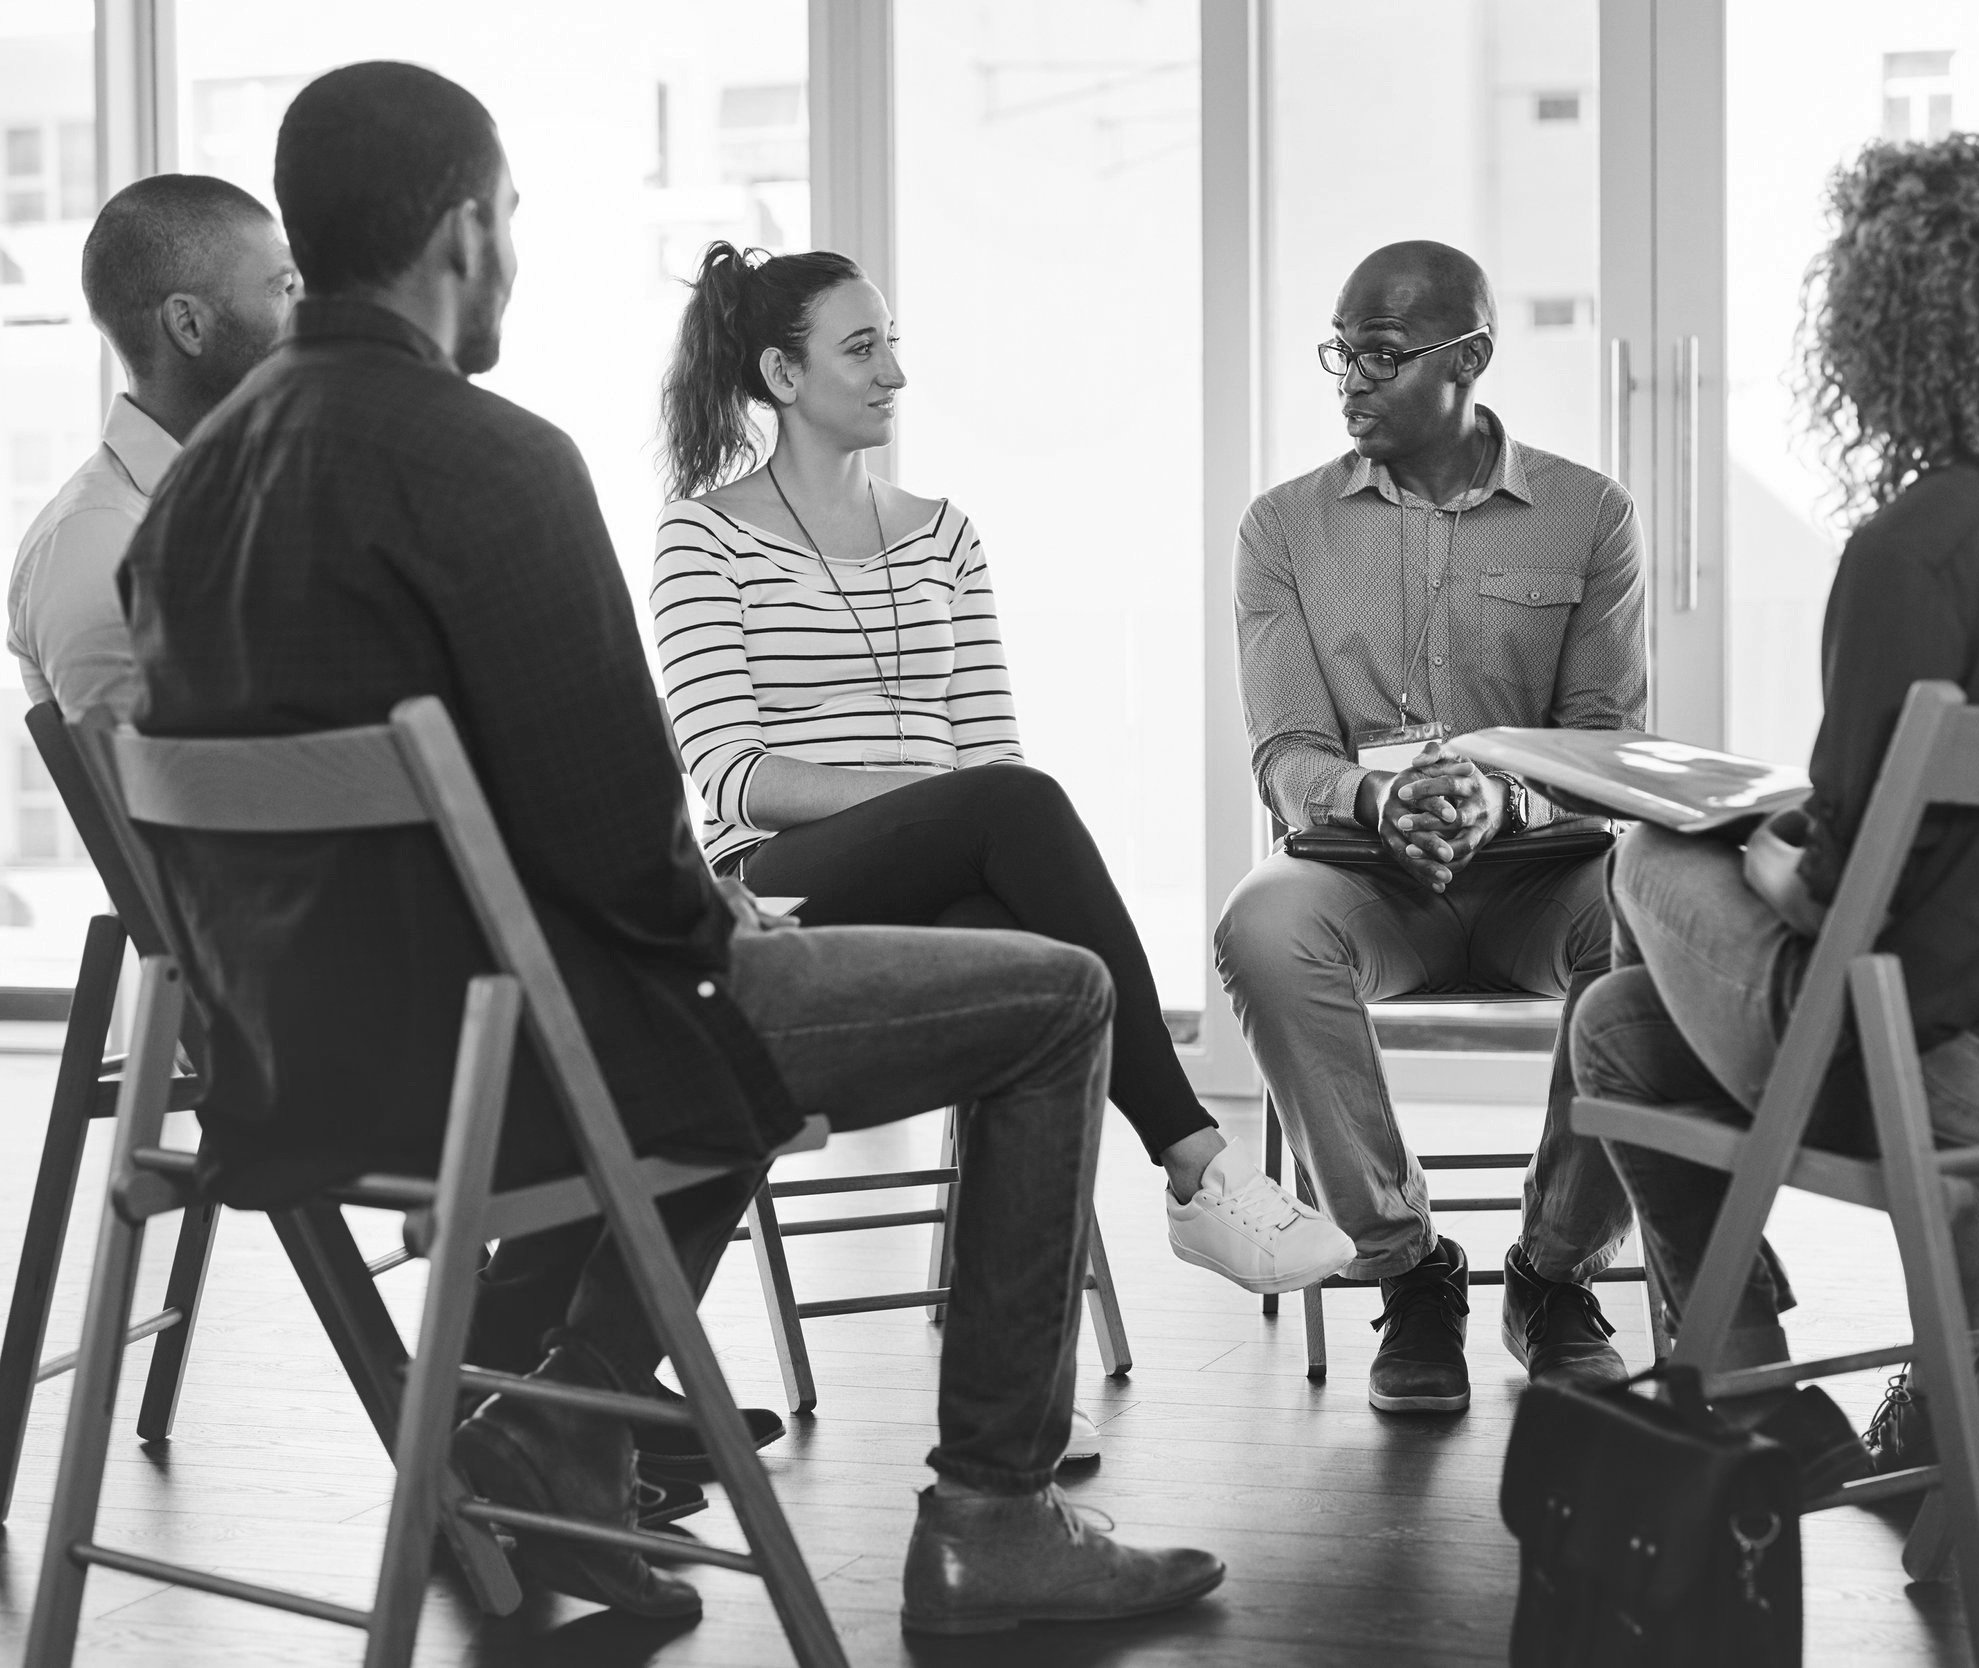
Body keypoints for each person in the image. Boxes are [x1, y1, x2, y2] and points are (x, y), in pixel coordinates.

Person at [117, 61, 1221, 1635]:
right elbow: (628, 854)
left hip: (292, 1072)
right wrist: (735, 925)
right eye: (510, 217)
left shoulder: (191, 495)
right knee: (1051, 997)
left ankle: (566, 1423)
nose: (511, 250)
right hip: (515, 1058)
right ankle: (995, 1512)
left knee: (708, 994)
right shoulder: (490, 463)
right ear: (463, 231)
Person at [1569, 134, 1979, 1483]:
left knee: (1644, 858)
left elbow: (1843, 876)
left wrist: (1759, 861)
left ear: (1881, 339)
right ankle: (1959, 1335)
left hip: (1952, 1081)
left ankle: (1749, 1399)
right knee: (1616, 1030)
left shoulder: (1912, 549)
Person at [651, 242, 1352, 1305]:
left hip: (949, 864)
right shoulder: (701, 537)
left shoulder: (945, 536)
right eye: (861, 348)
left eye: (893, 343)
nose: (893, 371)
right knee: (1012, 812)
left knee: (1031, 950)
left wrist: (953, 808)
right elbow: (734, 780)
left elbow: (989, 757)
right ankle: (1195, 1163)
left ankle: (1023, 1377)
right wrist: (936, 802)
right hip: (782, 885)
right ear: (781, 377)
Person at [1216, 239, 1645, 1415]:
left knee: (1658, 927)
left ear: (1470, 359)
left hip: (1540, 874)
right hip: (1364, 875)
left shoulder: (1588, 516)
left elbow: (1605, 745)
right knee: (1261, 930)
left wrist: (1500, 795)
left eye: (1382, 355)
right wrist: (1377, 799)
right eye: (1339, 352)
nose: (1350, 378)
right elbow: (1285, 751)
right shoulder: (1281, 529)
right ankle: (1408, 1271)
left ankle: (1554, 1273)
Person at [8, 174, 296, 721]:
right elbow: (164, 792)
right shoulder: (95, 541)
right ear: (188, 323)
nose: (307, 311)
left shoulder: (257, 495)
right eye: (283, 288)